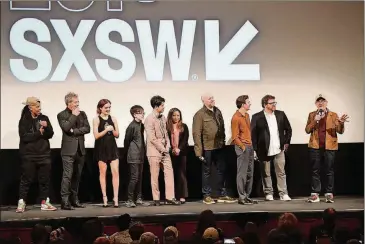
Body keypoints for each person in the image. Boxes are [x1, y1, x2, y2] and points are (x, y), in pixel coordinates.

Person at [192, 93, 235, 204]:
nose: (212, 100)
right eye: (209, 99)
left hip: (219, 146)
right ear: (204, 101)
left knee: (221, 170)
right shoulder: (199, 114)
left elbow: (222, 127)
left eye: (212, 98)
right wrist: (198, 151)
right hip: (207, 147)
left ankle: (221, 193)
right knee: (207, 172)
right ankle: (207, 195)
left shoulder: (217, 111)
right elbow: (196, 133)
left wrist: (224, 141)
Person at [305, 94, 349, 203]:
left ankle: (329, 193)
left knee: (329, 170)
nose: (320, 103)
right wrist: (315, 120)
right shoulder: (312, 115)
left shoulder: (333, 115)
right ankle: (315, 194)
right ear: (316, 104)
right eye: (318, 101)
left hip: (330, 146)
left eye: (323, 101)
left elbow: (340, 131)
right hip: (315, 146)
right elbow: (307, 130)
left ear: (326, 103)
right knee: (315, 170)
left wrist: (341, 123)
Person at [16, 97, 57, 213]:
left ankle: (44, 202)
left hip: (44, 154)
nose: (39, 109)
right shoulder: (24, 120)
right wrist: (39, 133)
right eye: (37, 107)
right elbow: (24, 137)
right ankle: (22, 202)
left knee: (45, 179)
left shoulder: (44, 118)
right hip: (29, 155)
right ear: (30, 107)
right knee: (26, 179)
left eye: (39, 106)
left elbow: (50, 134)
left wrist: (46, 127)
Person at [251, 94, 292, 201]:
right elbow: (253, 134)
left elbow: (288, 129)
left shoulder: (280, 114)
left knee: (281, 172)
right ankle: (268, 193)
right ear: (265, 104)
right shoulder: (257, 117)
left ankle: (283, 193)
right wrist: (255, 149)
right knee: (266, 172)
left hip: (279, 148)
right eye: (271, 103)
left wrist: (286, 142)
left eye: (275, 102)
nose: (274, 105)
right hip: (264, 149)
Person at [57, 92, 90, 210]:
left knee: (77, 176)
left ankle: (75, 200)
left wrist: (74, 131)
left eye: (78, 102)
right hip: (68, 151)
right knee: (67, 176)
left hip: (80, 150)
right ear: (69, 103)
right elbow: (66, 128)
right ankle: (65, 202)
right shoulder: (62, 115)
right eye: (75, 102)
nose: (78, 104)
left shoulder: (83, 114)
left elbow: (87, 128)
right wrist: (74, 116)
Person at [144, 95, 180, 206]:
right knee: (154, 175)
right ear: (156, 106)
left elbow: (166, 133)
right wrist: (162, 148)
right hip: (154, 151)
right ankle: (156, 199)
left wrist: (168, 145)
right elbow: (152, 138)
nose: (164, 107)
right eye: (162, 105)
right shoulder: (149, 119)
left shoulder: (163, 118)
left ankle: (170, 197)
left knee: (169, 173)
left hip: (165, 150)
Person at [93, 99, 120, 208]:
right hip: (101, 148)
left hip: (112, 148)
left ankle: (116, 198)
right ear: (100, 108)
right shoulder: (96, 119)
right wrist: (106, 130)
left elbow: (117, 134)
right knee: (103, 173)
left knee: (115, 172)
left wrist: (112, 130)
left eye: (109, 107)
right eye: (106, 107)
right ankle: (105, 197)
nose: (108, 109)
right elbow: (96, 135)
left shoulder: (113, 119)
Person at [231, 95, 257, 205]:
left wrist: (252, 148)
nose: (250, 103)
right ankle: (241, 197)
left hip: (250, 146)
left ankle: (247, 195)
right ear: (243, 104)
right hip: (243, 147)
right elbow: (234, 137)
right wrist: (243, 147)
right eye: (248, 102)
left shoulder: (247, 115)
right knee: (242, 173)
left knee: (250, 173)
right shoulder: (236, 117)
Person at [124, 105, 147, 208]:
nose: (142, 114)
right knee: (134, 177)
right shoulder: (132, 126)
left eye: (143, 113)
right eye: (140, 113)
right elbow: (127, 141)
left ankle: (138, 198)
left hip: (141, 154)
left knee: (140, 178)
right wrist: (129, 152)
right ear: (134, 114)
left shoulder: (141, 125)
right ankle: (129, 199)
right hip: (133, 155)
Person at [167, 108, 189, 204]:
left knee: (181, 174)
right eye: (174, 115)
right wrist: (172, 149)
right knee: (171, 175)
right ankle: (172, 195)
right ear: (171, 116)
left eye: (178, 115)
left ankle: (182, 195)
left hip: (181, 153)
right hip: (170, 153)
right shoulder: (168, 127)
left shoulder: (184, 126)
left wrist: (179, 149)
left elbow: (185, 140)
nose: (176, 117)